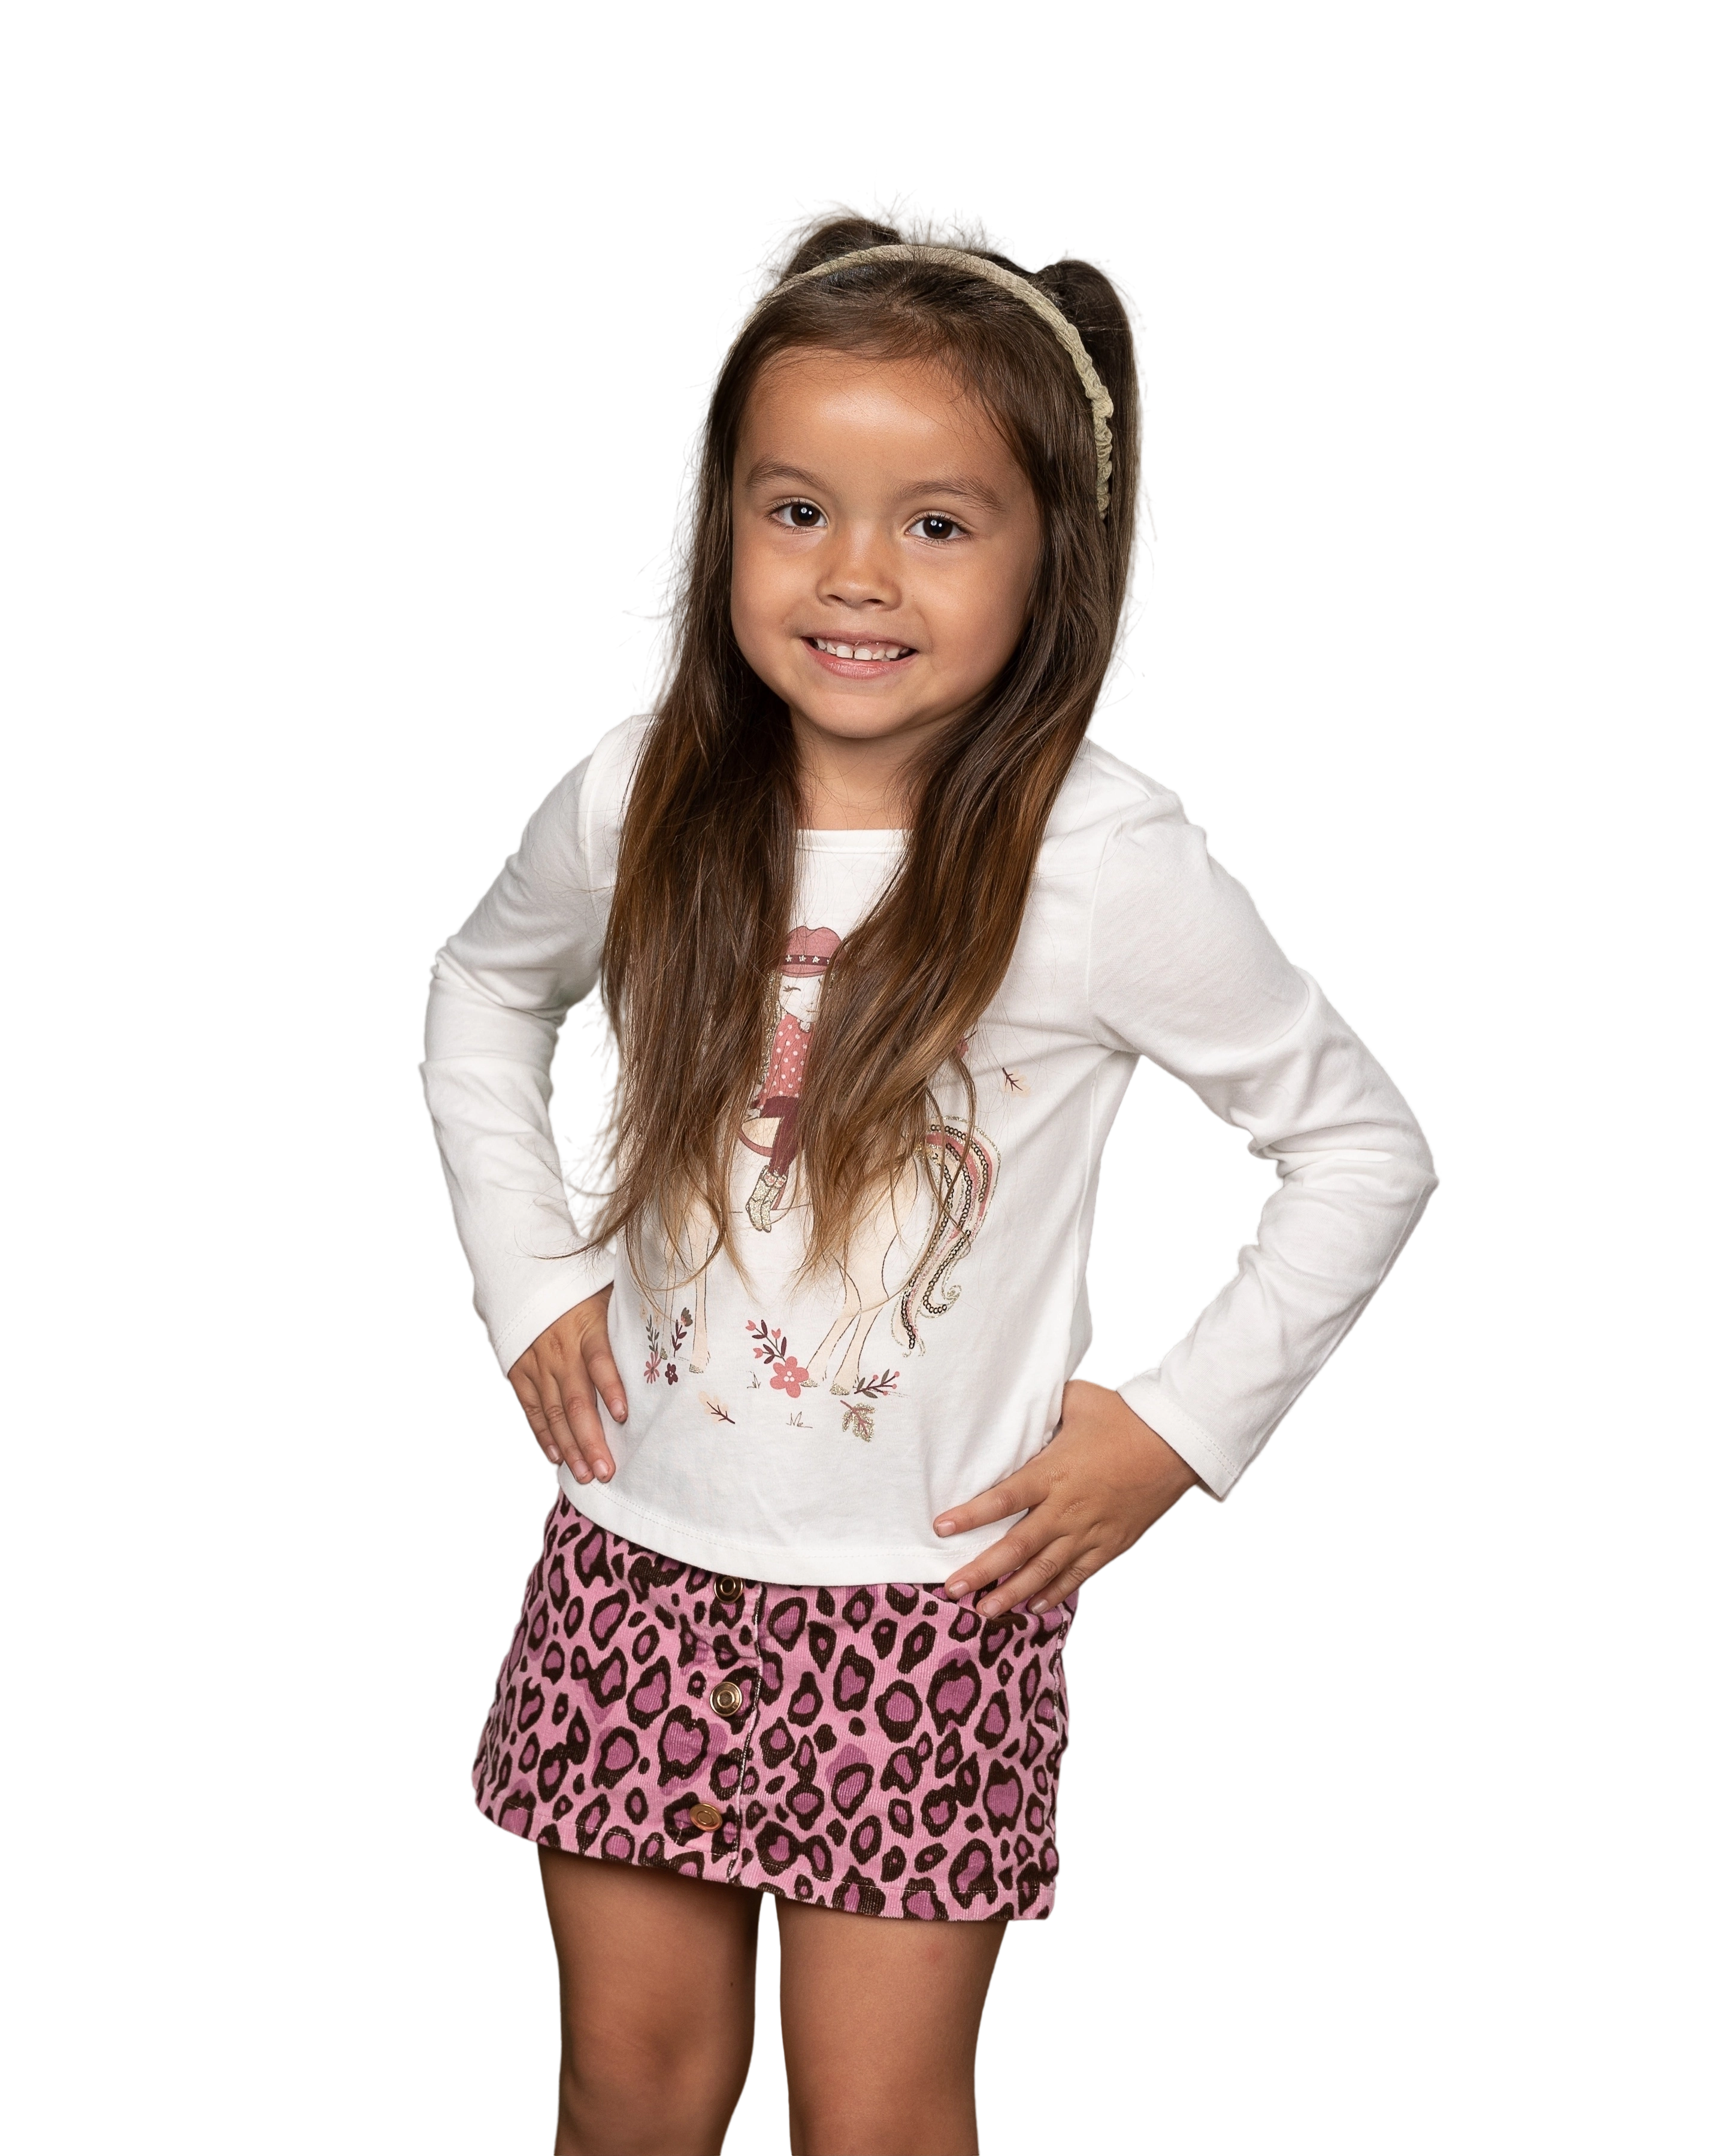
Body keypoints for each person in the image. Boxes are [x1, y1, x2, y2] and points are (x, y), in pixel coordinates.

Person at [414, 187, 1441, 2156]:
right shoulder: (636, 796)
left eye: (940, 523)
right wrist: (531, 1275)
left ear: (1056, 556)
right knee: (626, 2086)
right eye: (798, 509)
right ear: (721, 519)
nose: (857, 575)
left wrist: (1175, 1428)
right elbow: (481, 991)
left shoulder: (1104, 860)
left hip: (925, 1601)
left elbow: (1359, 1148)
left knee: (878, 2115)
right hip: (636, 1557)